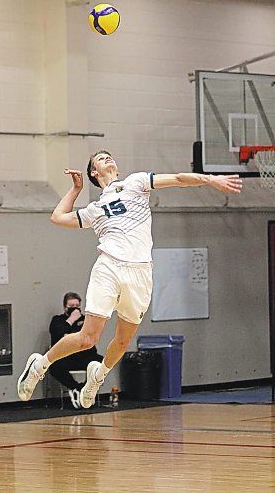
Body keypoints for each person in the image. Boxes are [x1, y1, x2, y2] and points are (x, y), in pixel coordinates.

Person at [17, 150, 242, 407]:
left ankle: (97, 377)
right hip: (109, 266)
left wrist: (210, 179)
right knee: (87, 338)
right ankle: (39, 366)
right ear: (94, 172)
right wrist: (76, 189)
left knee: (123, 340)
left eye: (109, 156)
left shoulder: (135, 182)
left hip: (141, 272)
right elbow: (57, 217)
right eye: (101, 159)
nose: (108, 159)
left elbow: (179, 179)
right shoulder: (94, 209)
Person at [48, 291, 103, 409]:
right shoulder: (58, 320)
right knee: (53, 366)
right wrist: (71, 320)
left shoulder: (86, 320)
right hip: (65, 357)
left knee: (101, 363)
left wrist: (70, 336)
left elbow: (90, 337)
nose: (75, 309)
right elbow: (58, 334)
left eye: (77, 306)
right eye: (71, 306)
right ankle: (75, 388)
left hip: (83, 356)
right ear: (65, 307)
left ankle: (86, 388)